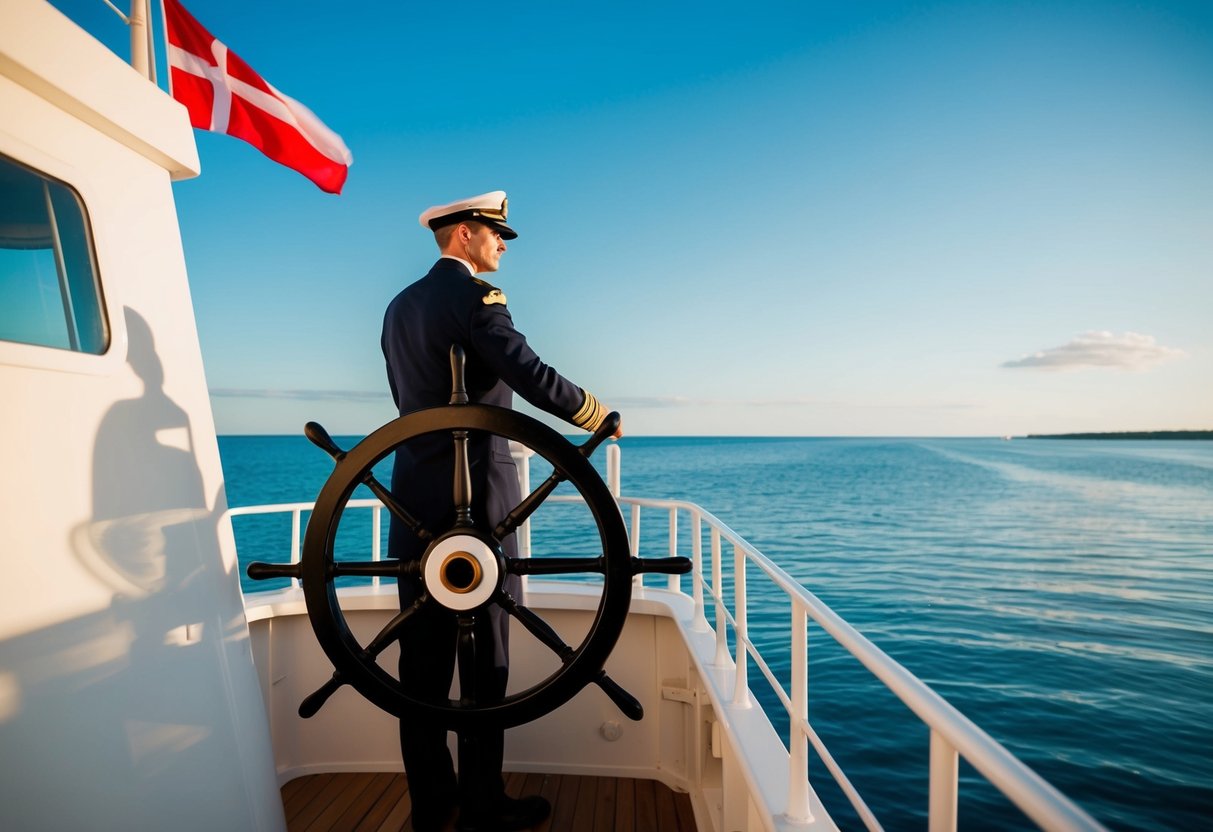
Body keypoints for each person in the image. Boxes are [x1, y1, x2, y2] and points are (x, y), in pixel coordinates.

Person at [381, 190, 620, 832]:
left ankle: (432, 804)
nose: (503, 246)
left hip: (413, 494)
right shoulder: (478, 299)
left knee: (421, 663)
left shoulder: (399, 306)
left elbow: (405, 396)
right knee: (486, 654)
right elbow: (528, 372)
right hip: (480, 496)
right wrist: (595, 414)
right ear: (465, 233)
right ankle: (483, 804)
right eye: (497, 234)